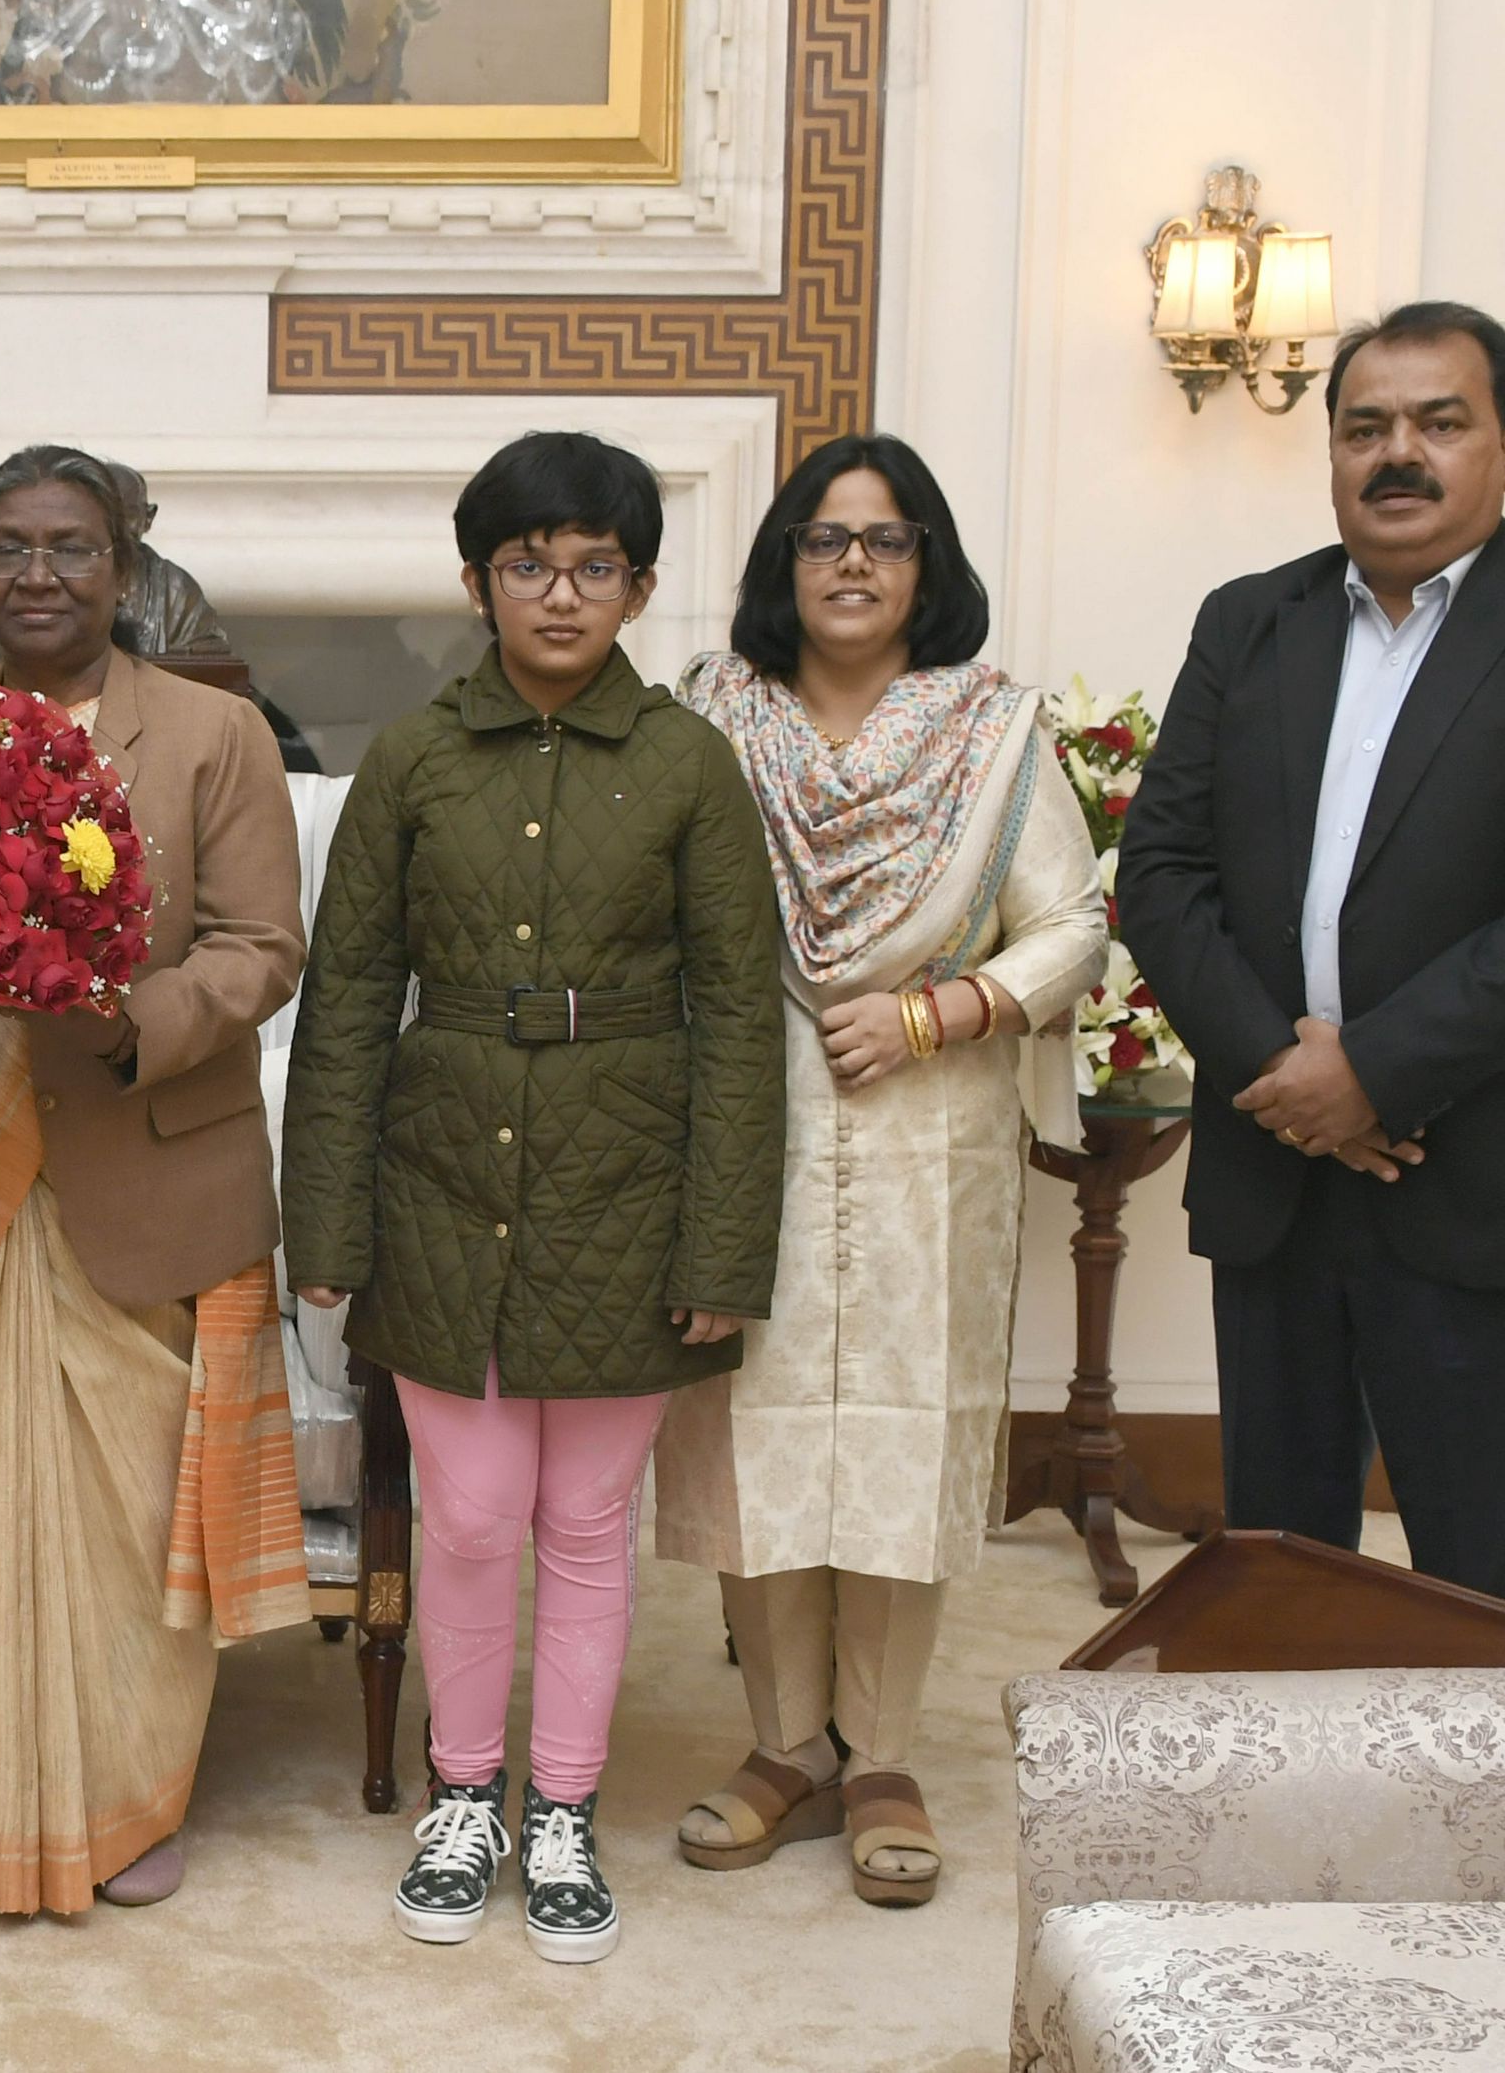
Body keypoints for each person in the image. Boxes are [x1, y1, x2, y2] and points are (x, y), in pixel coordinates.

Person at [281, 430, 786, 1964]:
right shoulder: (415, 760)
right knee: (472, 1513)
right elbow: (347, 998)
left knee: (585, 1520)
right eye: (527, 565)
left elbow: (740, 1017)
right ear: (476, 580)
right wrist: (328, 1226)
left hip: (632, 1181)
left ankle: (561, 1807)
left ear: (638, 584)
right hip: (439, 1180)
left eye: (592, 567)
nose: (560, 595)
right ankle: (464, 1794)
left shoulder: (690, 765)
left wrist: (723, 1250)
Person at [1119, 299, 1505, 1614]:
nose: (1399, 455)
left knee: (1484, 1593)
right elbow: (1162, 874)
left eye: (1441, 422)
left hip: (1485, 1173)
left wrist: (1372, 1073)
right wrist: (1287, 1079)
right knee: (1281, 1574)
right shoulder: (1248, 622)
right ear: (1331, 452)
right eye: (1366, 427)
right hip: (1278, 1171)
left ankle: (1482, 1769)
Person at [657, 433, 1106, 1908]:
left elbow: (1071, 926)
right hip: (751, 1123)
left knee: (906, 1442)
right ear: (783, 561)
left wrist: (938, 1012)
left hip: (932, 1135)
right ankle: (786, 1747)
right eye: (825, 536)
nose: (854, 562)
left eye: (888, 538)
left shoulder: (993, 733)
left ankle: (886, 1755)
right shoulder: (713, 720)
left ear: (929, 567)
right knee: (764, 1430)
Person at [0, 444, 312, 1917]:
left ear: (123, 569)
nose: (37, 575)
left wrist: (134, 1021)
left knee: (126, 1523)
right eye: (7, 547)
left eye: (70, 547)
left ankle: (119, 1805)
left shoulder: (212, 732)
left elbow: (263, 947)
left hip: (138, 1155)